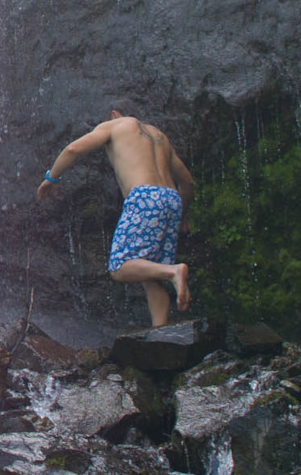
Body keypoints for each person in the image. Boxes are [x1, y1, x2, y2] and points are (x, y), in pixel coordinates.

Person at [38, 109, 194, 328]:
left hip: (145, 198)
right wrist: (183, 216)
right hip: (171, 199)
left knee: (120, 267)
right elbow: (187, 182)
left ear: (114, 114)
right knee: (150, 275)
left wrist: (51, 178)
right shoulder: (159, 136)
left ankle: (174, 271)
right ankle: (161, 334)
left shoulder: (116, 126)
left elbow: (73, 148)